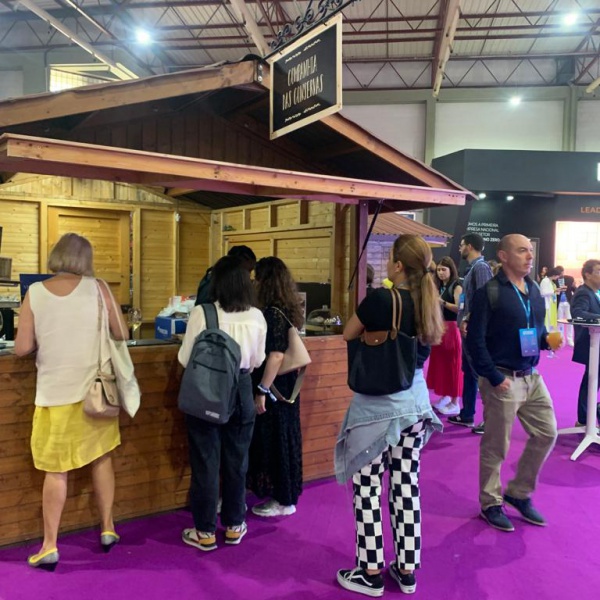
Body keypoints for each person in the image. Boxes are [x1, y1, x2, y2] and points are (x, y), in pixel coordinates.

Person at [334, 234, 444, 597]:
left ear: (397, 265)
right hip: (416, 404)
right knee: (406, 484)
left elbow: (349, 333)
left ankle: (370, 571)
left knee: (367, 487)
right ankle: (407, 569)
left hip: (378, 408)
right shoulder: (429, 300)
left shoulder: (382, 298)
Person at [15, 233, 129, 570]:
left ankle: (49, 545)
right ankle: (108, 528)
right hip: (96, 395)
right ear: (86, 259)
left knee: (56, 471)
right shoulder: (100, 288)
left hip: (54, 396)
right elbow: (122, 333)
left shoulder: (35, 292)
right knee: (101, 459)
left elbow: (21, 348)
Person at [466, 234, 558, 532]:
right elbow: (475, 341)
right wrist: (493, 377)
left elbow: (534, 330)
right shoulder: (490, 292)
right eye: (522, 251)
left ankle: (518, 492)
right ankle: (490, 503)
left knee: (547, 433)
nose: (530, 256)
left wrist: (546, 340)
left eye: (530, 250)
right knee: (496, 446)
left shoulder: (533, 289)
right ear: (504, 256)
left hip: (532, 376)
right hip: (502, 378)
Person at [179, 256, 267, 551]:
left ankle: (204, 531)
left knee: (205, 461)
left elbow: (185, 358)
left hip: (207, 389)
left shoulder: (202, 313)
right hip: (242, 388)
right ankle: (234, 525)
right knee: (237, 461)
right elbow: (257, 360)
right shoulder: (257, 316)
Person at [247, 257, 305, 517]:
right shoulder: (288, 309)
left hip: (274, 386)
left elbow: (276, 355)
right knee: (285, 437)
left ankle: (282, 500)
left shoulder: (271, 313)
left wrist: (262, 389)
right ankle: (285, 495)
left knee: (275, 439)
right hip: (285, 385)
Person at [448, 233, 493, 434]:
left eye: (462, 245)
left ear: (471, 246)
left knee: (481, 374)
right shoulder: (473, 268)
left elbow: (485, 298)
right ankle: (467, 414)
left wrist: (468, 318)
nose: (460, 248)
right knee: (469, 371)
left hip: (475, 329)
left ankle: (490, 420)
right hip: (468, 329)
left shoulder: (481, 268)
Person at [427, 256, 463, 416]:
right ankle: (445, 395)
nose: (441, 273)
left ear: (451, 270)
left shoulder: (457, 285)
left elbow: (459, 308)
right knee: (440, 365)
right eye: (439, 270)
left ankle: (455, 402)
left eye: (444, 269)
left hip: (452, 328)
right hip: (440, 327)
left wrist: (441, 302)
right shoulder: (440, 285)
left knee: (453, 365)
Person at [570, 259, 600, 428]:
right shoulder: (583, 293)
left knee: (592, 381)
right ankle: (584, 419)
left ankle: (586, 418)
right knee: (591, 381)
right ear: (587, 274)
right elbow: (578, 313)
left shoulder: (595, 293)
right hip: (591, 344)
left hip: (596, 344)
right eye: (599, 271)